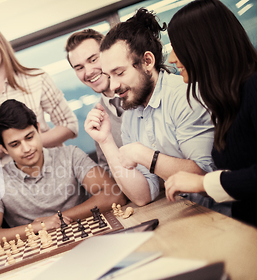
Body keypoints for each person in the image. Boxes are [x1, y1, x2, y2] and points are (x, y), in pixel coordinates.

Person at [84, 8, 215, 206]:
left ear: (147, 61)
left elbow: (206, 178)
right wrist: (106, 141)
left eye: (119, 73)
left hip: (223, 218)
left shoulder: (185, 96)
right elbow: (142, 196)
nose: (113, 86)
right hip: (186, 215)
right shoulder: (131, 115)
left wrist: (145, 156)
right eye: (109, 76)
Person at [0, 99, 125, 249]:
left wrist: (57, 219)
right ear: (3, 148)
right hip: (36, 255)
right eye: (15, 144)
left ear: (38, 128)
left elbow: (115, 195)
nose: (26, 148)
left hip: (90, 243)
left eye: (29, 137)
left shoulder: (70, 155)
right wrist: (36, 227)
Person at [164, 0, 257, 225]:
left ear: (203, 46)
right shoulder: (227, 100)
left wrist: (203, 183)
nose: (171, 59)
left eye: (177, 47)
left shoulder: (254, 87)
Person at [0, 17, 78, 163]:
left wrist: (31, 142)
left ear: (0, 42)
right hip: (12, 181)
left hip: (55, 168)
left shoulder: (37, 78)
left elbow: (69, 125)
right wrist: (1, 149)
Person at [65, 28, 125, 173]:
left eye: (93, 59)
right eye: (79, 68)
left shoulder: (143, 91)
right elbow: (109, 171)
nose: (89, 71)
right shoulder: (97, 115)